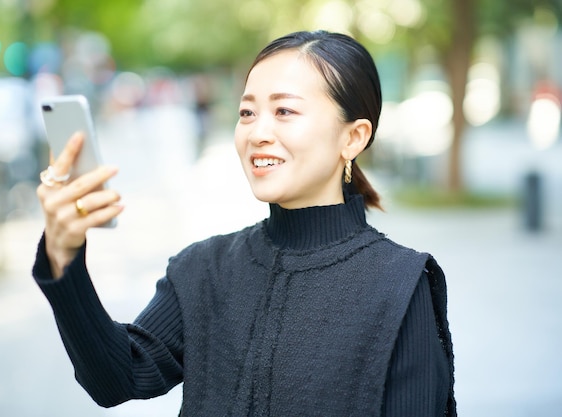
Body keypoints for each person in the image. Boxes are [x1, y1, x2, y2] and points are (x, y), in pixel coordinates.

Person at [33, 30, 456, 417]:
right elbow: (117, 378)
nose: (258, 133)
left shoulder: (400, 284)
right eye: (248, 112)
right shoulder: (203, 269)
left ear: (353, 137)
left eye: (285, 111)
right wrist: (63, 256)